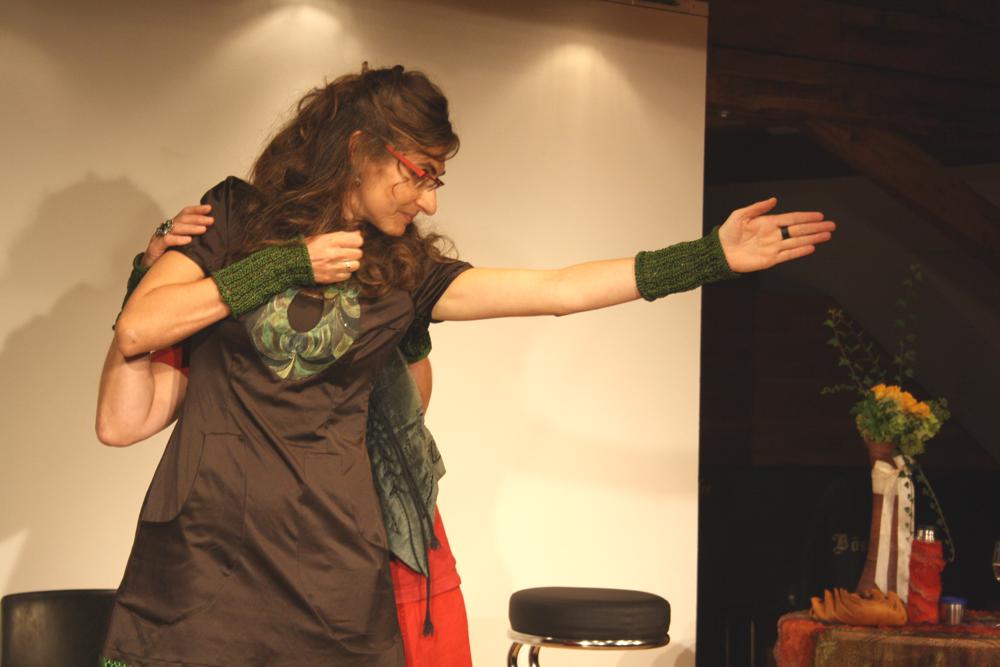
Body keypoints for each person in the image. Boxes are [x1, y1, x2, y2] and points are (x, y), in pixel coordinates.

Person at [103, 63, 835, 666]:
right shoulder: (236, 217)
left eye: (437, 181)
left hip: (326, 568)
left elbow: (557, 290)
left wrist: (707, 257)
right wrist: (288, 263)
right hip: (201, 557)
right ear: (360, 149)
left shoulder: (404, 273)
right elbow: (141, 325)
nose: (427, 200)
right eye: (420, 173)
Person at [98, 213, 473, 667]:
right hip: (239, 566)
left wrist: (405, 330)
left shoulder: (381, 292)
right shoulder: (224, 320)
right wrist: (144, 286)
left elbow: (412, 403)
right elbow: (120, 421)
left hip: (371, 545)